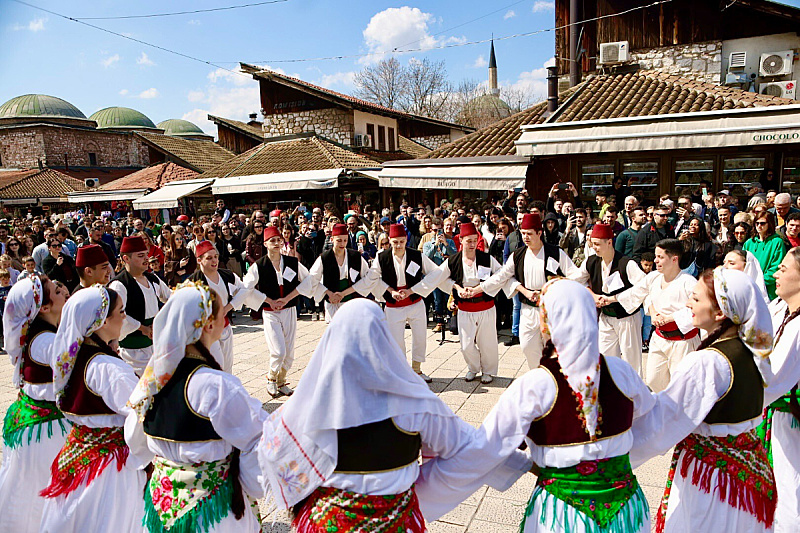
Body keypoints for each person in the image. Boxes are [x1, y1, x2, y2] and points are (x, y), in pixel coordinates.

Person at [415, 279, 655, 533]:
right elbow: (652, 420)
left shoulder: (537, 384)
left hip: (564, 516)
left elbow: (487, 447)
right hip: (626, 511)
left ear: (547, 323)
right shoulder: (621, 371)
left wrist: (415, 492)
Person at [258, 299, 482, 532]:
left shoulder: (310, 402)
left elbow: (274, 450)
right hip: (395, 522)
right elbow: (466, 448)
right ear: (383, 338)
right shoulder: (414, 400)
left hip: (327, 523)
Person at [630, 268, 775, 533]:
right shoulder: (753, 351)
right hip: (748, 478)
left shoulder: (708, 362)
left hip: (713, 486)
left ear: (720, 313)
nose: (688, 303)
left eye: (695, 299)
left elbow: (663, 423)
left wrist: (609, 455)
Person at [125, 281, 266, 533]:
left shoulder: (150, 382)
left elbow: (135, 443)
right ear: (209, 324)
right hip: (211, 513)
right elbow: (260, 438)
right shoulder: (215, 385)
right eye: (223, 314)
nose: (226, 319)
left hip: (161, 506)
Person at [40, 285, 145, 532]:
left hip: (77, 458)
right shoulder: (108, 367)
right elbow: (144, 414)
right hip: (109, 471)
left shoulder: (72, 356)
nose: (124, 317)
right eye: (121, 311)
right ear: (102, 321)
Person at [0, 277, 70, 533]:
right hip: (44, 433)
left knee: (30, 490)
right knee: (39, 493)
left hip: (37, 424)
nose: (64, 290)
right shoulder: (46, 342)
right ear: (44, 307)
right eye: (57, 289)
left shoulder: (46, 335)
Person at [480, 213, 578, 369]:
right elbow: (502, 276)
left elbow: (575, 274)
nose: (525, 237)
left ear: (539, 233)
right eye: (523, 233)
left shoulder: (556, 252)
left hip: (551, 310)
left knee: (553, 348)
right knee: (526, 345)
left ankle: (553, 377)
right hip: (527, 308)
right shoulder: (518, 255)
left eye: (529, 233)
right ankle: (538, 373)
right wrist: (479, 289)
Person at [361, 224, 447, 382]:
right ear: (390, 241)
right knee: (395, 340)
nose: (398, 245)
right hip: (394, 305)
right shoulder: (382, 257)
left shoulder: (416, 255)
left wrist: (413, 290)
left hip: (415, 302)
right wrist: (390, 290)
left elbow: (436, 272)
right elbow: (372, 278)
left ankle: (417, 370)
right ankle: (401, 372)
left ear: (406, 240)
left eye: (401, 242)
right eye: (395, 242)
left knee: (420, 337)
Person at [611, 239, 699, 391]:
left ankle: (677, 412)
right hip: (659, 337)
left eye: (660, 257)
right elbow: (639, 293)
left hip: (682, 341)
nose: (655, 261)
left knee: (681, 385)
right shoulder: (653, 277)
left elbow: (697, 308)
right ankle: (665, 407)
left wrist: (670, 318)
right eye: (655, 256)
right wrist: (609, 299)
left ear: (674, 259)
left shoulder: (688, 282)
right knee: (653, 379)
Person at [241, 226, 312, 397]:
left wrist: (288, 299)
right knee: (278, 350)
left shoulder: (292, 262)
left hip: (289, 309)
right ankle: (271, 378)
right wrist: (268, 300)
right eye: (272, 240)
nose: (276, 243)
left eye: (278, 240)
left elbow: (308, 280)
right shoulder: (259, 265)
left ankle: (281, 381)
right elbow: (246, 288)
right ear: (265, 244)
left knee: (289, 351)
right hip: (270, 312)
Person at [570, 223, 646, 375]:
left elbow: (644, 287)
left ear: (609, 242)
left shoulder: (627, 263)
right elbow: (577, 280)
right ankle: (611, 390)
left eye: (597, 244)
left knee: (631, 359)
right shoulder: (591, 261)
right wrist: (593, 295)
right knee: (605, 357)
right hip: (605, 317)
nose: (594, 248)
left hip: (627, 318)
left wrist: (615, 298)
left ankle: (633, 392)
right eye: (592, 244)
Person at [435, 223, 503, 383]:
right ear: (461, 241)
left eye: (475, 240)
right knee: (466, 345)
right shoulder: (453, 260)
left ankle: (488, 371)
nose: (472, 244)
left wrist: (481, 288)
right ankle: (473, 367)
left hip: (485, 306)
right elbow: (439, 278)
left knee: (487, 342)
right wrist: (456, 288)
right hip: (465, 308)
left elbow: (500, 274)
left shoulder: (486, 258)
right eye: (468, 241)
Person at [109, 236, 171, 376]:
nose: (146, 259)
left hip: (154, 345)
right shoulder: (119, 285)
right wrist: (142, 328)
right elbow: (117, 316)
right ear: (126, 258)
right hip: (133, 352)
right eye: (140, 255)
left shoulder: (152, 278)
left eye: (146, 254)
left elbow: (170, 297)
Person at [188, 241, 250, 372]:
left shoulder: (227, 275)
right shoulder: (193, 282)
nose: (214, 260)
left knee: (228, 366)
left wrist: (228, 307)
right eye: (209, 258)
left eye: (215, 256)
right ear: (199, 260)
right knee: (217, 365)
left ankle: (227, 391)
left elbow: (244, 290)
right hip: (207, 331)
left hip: (225, 326)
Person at [304, 224, 371, 323]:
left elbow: (368, 278)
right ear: (332, 239)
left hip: (351, 299)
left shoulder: (355, 256)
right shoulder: (324, 258)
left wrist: (343, 294)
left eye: (345, 240)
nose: (342, 244)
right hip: (332, 301)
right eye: (339, 240)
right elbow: (312, 278)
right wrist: (329, 294)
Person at [744, 212, 787, 300]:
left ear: (770, 224)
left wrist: (759, 281)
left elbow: (776, 267)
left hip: (769, 290)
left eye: (762, 223)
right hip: (750, 288)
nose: (759, 226)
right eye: (757, 223)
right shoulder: (749, 243)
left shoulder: (777, 242)